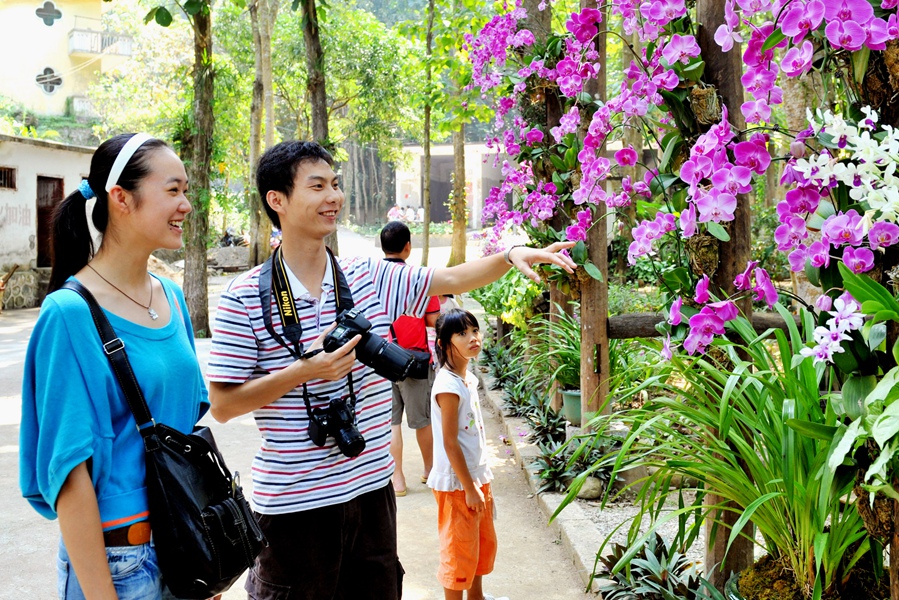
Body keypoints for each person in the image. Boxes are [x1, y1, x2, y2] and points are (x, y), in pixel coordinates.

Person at [206, 140, 574, 600]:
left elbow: (452, 278)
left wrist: (510, 255)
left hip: (371, 494)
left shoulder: (367, 276)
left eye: (335, 184)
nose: (334, 197)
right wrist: (307, 371)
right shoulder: (244, 297)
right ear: (276, 200)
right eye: (317, 187)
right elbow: (223, 405)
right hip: (293, 507)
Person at [19, 133, 209, 599]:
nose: (186, 205)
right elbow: (69, 473)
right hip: (121, 564)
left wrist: (206, 545)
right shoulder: (69, 314)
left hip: (186, 547)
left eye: (186, 190)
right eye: (173, 190)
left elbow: (190, 434)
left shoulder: (172, 298)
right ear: (121, 198)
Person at [428, 308, 506, 600]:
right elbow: (450, 443)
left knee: (480, 545)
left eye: (474, 330)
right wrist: (470, 488)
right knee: (458, 551)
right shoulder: (447, 386)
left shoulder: (467, 378)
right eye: (462, 333)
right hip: (458, 484)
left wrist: (477, 483)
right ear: (443, 343)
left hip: (474, 477)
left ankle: (477, 597)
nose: (473, 338)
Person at [380, 221, 441, 496]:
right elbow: (434, 320)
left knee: (391, 423)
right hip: (414, 361)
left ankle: (397, 479)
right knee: (422, 421)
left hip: (381, 360)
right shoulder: (420, 279)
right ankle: (429, 470)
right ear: (408, 247)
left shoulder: (371, 278)